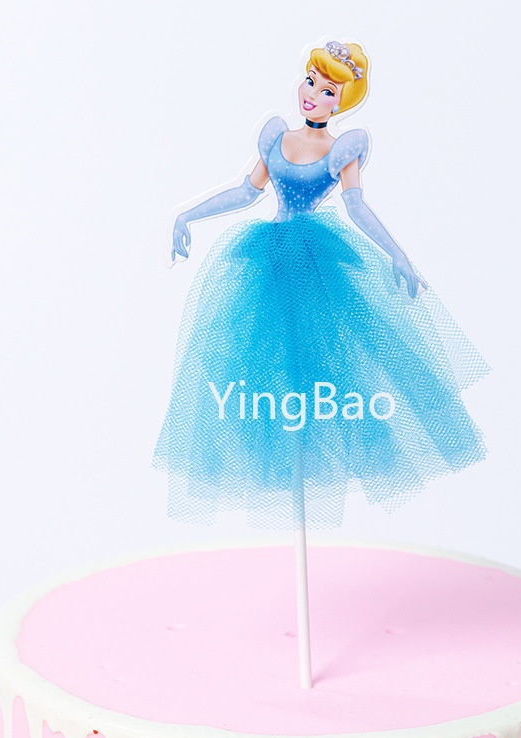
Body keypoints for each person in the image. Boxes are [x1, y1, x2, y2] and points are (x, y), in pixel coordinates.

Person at [153, 41, 489, 529]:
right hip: (267, 260)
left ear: (341, 101)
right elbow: (247, 191)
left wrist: (396, 253)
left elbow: (356, 206)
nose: (313, 94)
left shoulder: (342, 149)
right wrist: (188, 215)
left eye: (327, 90)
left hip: (315, 261)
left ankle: (322, 451)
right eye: (311, 81)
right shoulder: (276, 136)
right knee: (263, 365)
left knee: (324, 365)